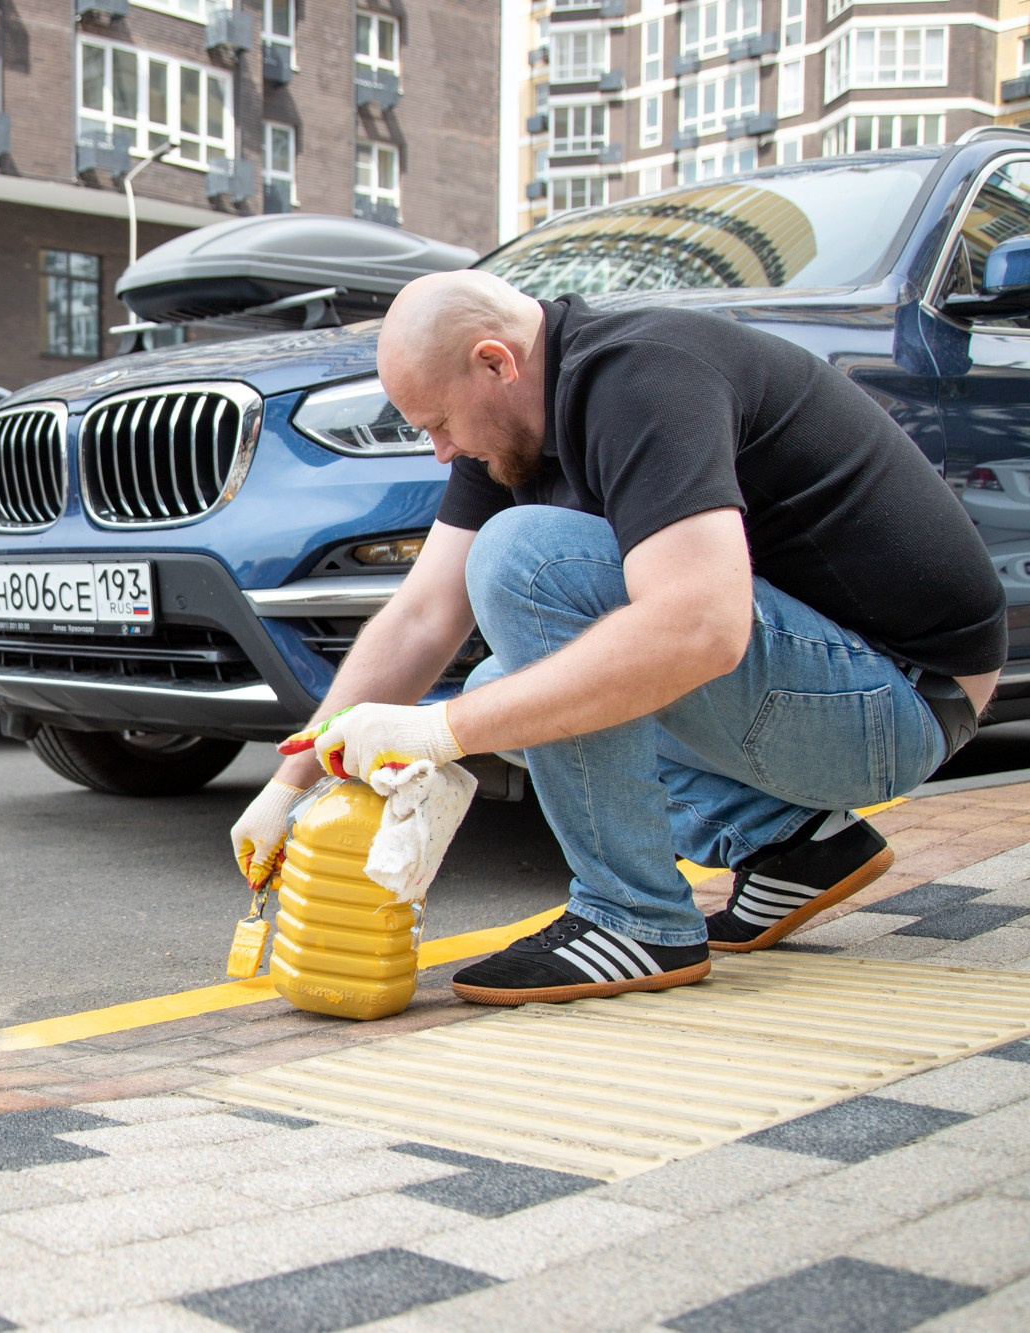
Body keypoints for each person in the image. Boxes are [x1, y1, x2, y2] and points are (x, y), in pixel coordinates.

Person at [232, 271, 1006, 1005]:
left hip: (903, 696)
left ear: (494, 363)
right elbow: (423, 616)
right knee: (495, 686)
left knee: (521, 558)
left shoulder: (643, 378)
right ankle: (793, 843)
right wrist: (291, 779)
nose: (440, 449)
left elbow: (702, 628)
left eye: (438, 423)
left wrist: (435, 733)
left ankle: (632, 918)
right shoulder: (507, 426)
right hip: (838, 687)